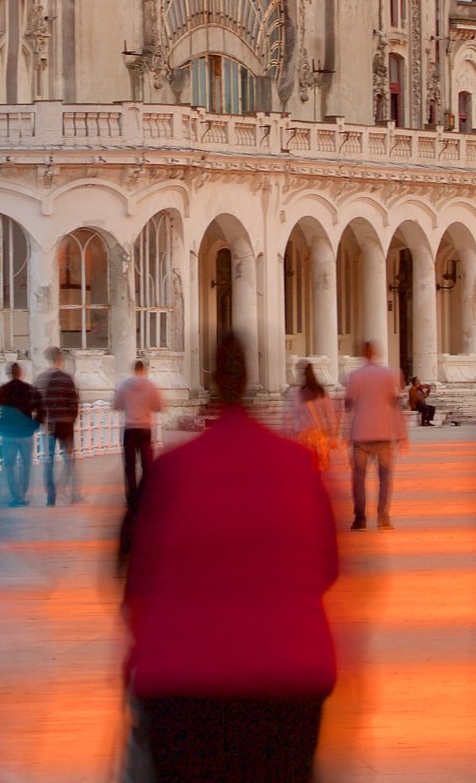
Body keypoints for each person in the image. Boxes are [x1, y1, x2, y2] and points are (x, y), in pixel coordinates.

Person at [123, 334, 338, 783]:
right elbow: (327, 568)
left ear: (210, 379)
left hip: (183, 682)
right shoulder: (296, 465)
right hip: (289, 676)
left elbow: (132, 577)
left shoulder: (172, 471)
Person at [342, 342, 405, 530]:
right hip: (384, 433)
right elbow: (395, 406)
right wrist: (401, 434)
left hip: (360, 433)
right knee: (385, 478)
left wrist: (345, 432)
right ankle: (383, 516)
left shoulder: (355, 376)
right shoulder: (388, 375)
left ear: (363, 354)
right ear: (376, 354)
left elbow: (348, 405)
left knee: (358, 478)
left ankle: (360, 518)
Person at [0, 362, 42, 506]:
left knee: (9, 466)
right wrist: (35, 424)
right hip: (26, 433)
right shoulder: (30, 389)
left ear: (9, 373)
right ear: (21, 373)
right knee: (26, 465)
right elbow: (41, 408)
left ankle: (16, 496)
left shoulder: (3, 390)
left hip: (8, 434)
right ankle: (22, 496)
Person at [113, 358, 164, 503]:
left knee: (130, 466)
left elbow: (116, 405)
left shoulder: (124, 385)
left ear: (134, 370)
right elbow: (158, 406)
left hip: (130, 428)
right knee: (146, 465)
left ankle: (131, 497)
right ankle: (144, 495)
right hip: (144, 428)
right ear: (144, 370)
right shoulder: (151, 386)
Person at [36, 347, 83, 505]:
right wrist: (72, 419)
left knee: (48, 461)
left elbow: (36, 402)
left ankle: (51, 496)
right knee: (70, 460)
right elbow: (74, 402)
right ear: (60, 358)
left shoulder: (42, 378)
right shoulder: (66, 378)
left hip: (50, 425)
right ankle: (73, 495)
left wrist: (42, 420)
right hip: (65, 424)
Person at [283, 363, 335, 471]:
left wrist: (289, 433)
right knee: (319, 468)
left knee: (305, 468)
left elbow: (290, 415)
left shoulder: (299, 394)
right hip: (319, 436)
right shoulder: (322, 393)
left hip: (303, 436)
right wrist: (332, 434)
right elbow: (330, 415)